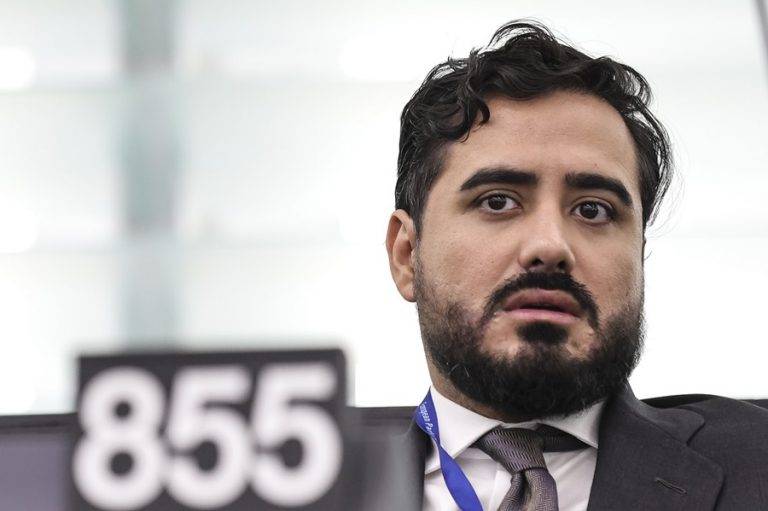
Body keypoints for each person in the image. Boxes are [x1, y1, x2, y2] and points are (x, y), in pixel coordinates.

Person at [378, 19, 768, 511]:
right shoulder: (296, 487)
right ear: (407, 255)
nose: (550, 245)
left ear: (639, 255)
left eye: (593, 209)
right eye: (498, 201)